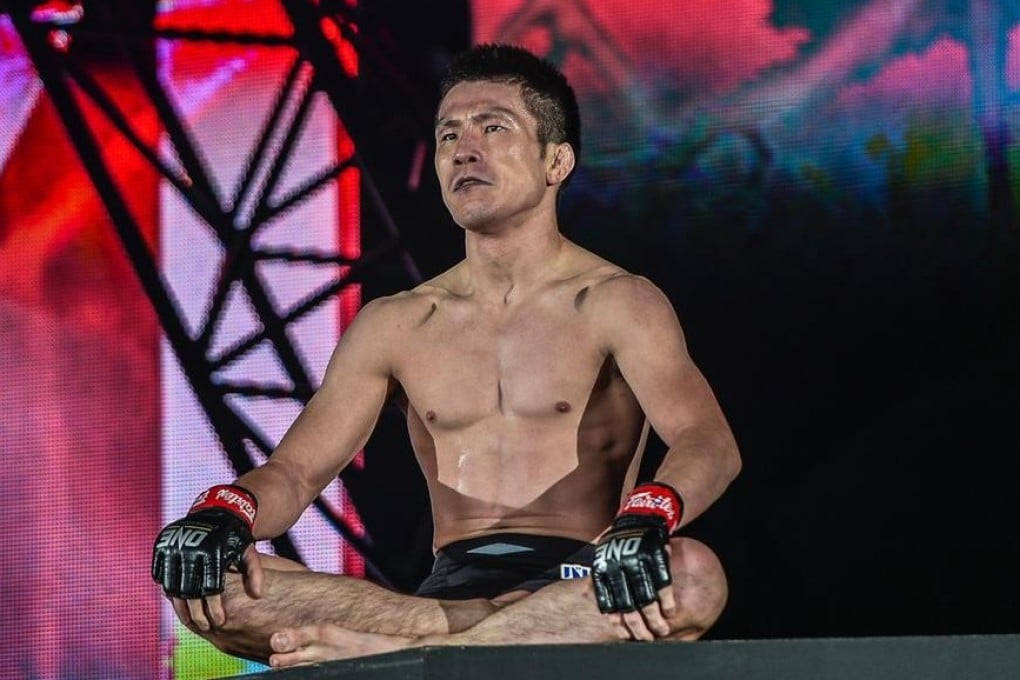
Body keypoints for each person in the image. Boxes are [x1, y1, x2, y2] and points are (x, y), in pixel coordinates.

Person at [152, 43, 741, 668]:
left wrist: (648, 516)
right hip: (442, 601)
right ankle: (441, 651)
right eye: (448, 135)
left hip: (584, 590)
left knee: (695, 574)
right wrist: (224, 513)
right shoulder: (396, 323)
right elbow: (295, 475)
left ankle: (404, 660)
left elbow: (709, 442)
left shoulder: (618, 302)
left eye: (494, 128)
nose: (465, 150)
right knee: (212, 587)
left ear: (557, 161)